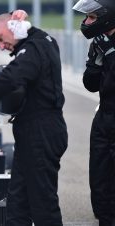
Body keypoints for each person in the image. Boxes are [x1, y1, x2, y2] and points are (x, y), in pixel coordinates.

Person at [0, 11, 68, 226]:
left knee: (43, 203)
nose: (2, 47)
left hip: (42, 132)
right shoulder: (39, 43)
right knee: (18, 202)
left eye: (1, 39)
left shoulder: (35, 47)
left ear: (13, 28)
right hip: (32, 133)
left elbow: (13, 75)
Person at [73, 0, 115, 225]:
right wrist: (96, 63)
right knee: (98, 174)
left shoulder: (109, 45)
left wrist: (110, 55)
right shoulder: (99, 42)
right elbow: (91, 85)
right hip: (104, 116)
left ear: (107, 17)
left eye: (91, 18)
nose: (86, 22)